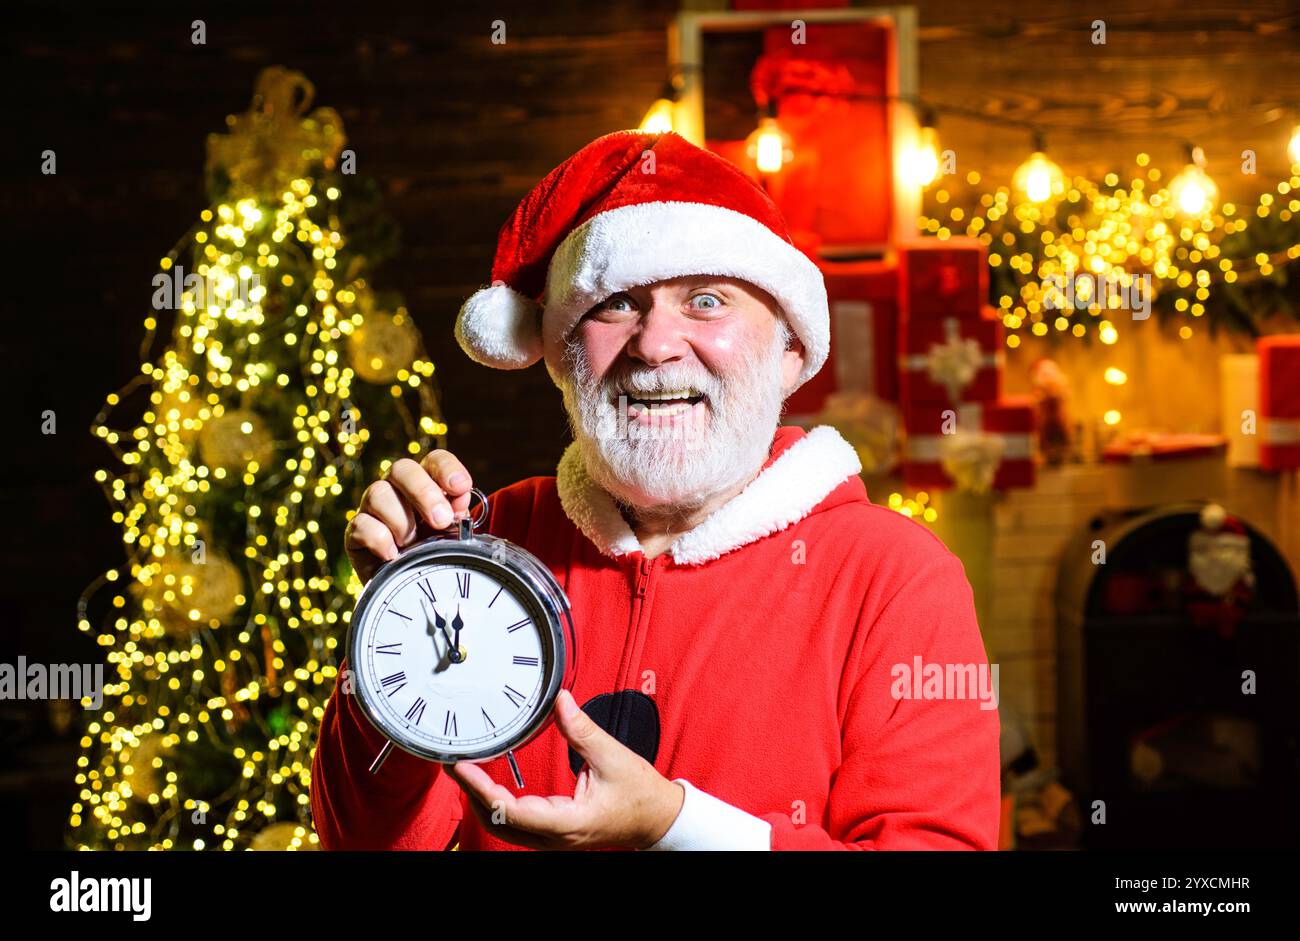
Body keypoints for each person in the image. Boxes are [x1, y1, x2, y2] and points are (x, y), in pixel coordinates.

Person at [311, 129, 1000, 851]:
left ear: (791, 348)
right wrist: (396, 635)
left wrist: (677, 827)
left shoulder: (896, 578)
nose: (654, 343)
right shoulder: (492, 542)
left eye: (706, 299)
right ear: (558, 351)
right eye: (614, 304)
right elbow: (369, 843)